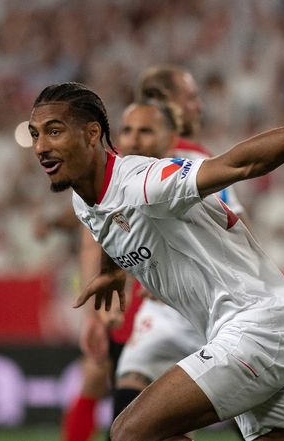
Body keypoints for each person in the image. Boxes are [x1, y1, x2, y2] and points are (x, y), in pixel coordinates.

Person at [29, 81, 284, 441]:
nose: (41, 147)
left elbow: (240, 164)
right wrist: (112, 273)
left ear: (92, 133)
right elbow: (106, 222)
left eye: (54, 131)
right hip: (257, 328)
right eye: (35, 134)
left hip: (255, 330)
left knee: (130, 432)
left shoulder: (145, 182)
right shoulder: (85, 200)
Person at [113, 66, 248, 439]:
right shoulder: (124, 174)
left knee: (248, 414)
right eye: (191, 97)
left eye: (142, 131)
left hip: (211, 305)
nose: (198, 106)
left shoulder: (193, 164)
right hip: (165, 310)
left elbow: (235, 224)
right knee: (132, 399)